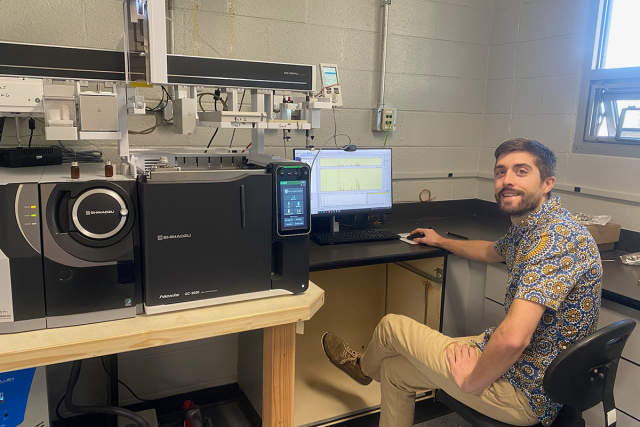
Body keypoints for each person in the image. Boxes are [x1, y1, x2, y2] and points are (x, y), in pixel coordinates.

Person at [321, 138, 602, 427]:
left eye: (521, 171)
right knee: (394, 370)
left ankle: (362, 370)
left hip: (528, 393)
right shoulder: (536, 225)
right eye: (500, 171)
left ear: (547, 183)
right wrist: (440, 240)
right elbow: (490, 251)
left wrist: (470, 382)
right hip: (527, 369)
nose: (507, 180)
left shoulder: (553, 240)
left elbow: (514, 339)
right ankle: (373, 371)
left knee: (391, 327)